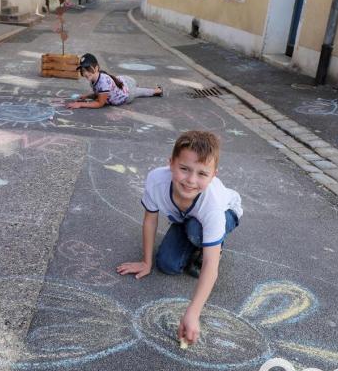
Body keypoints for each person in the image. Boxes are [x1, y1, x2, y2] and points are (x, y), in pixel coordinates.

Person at [116, 130, 243, 346]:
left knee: (196, 231)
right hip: (185, 218)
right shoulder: (156, 180)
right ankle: (193, 238)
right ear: (171, 164)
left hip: (226, 214)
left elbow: (212, 265)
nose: (191, 180)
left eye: (202, 174)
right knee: (166, 264)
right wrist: (146, 262)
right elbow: (150, 219)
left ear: (213, 176)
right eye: (184, 169)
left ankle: (209, 243)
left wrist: (193, 313)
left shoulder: (213, 203)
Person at [66, 53, 163, 109]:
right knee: (135, 86)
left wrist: (80, 104)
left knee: (140, 91)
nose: (85, 73)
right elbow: (99, 92)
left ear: (96, 68)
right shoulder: (95, 78)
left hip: (126, 94)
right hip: (122, 82)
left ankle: (158, 91)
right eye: (83, 71)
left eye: (88, 69)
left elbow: (100, 103)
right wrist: (86, 96)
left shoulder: (103, 82)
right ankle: (137, 85)